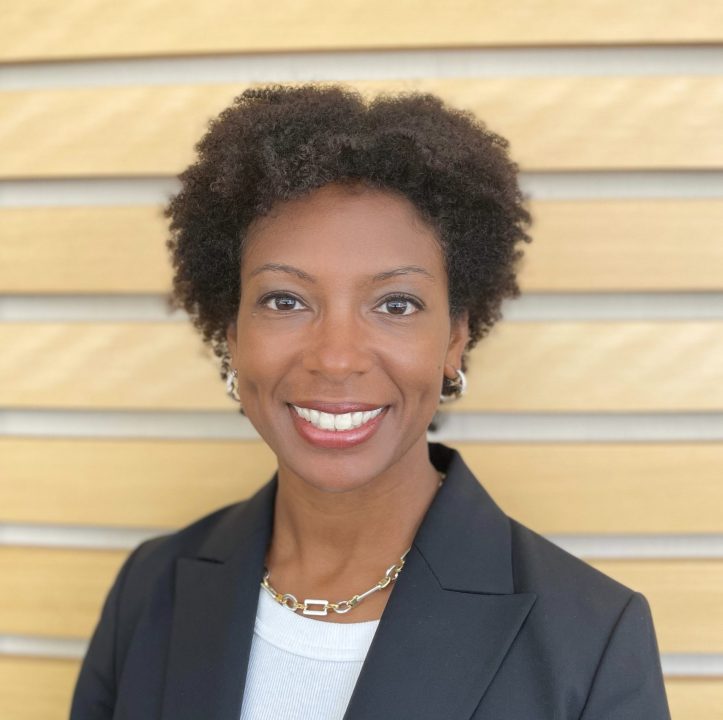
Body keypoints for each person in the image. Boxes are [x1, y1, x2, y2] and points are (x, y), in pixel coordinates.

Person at [70, 84, 671, 719]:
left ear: (455, 339)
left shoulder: (592, 639)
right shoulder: (151, 588)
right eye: (284, 300)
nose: (336, 358)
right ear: (233, 335)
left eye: (396, 304)